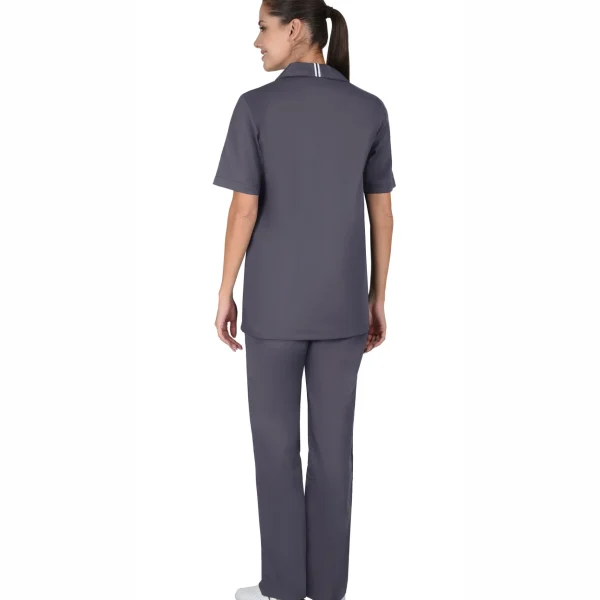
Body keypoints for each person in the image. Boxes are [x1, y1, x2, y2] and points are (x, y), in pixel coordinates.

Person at [213, 1, 395, 599]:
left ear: (295, 30)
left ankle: (284, 588)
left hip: (274, 311)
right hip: (343, 310)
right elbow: (382, 214)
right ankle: (328, 589)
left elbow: (244, 209)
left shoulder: (255, 107)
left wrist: (225, 291)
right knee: (334, 450)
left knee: (275, 449)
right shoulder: (369, 109)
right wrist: (377, 297)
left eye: (262, 28)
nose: (256, 42)